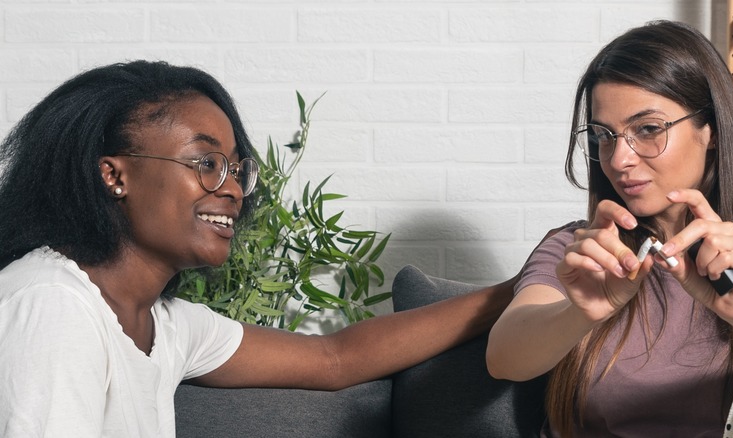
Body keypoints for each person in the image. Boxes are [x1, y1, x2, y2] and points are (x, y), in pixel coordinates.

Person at [0, 60, 518, 437]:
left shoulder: (165, 324)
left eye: (235, 168)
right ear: (115, 175)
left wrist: (523, 287)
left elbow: (334, 360)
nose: (231, 188)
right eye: (205, 162)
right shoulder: (54, 305)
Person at [485, 20, 733, 437]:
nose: (619, 159)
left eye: (647, 129)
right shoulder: (581, 250)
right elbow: (504, 358)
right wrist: (579, 312)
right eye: (605, 135)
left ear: (710, 131)